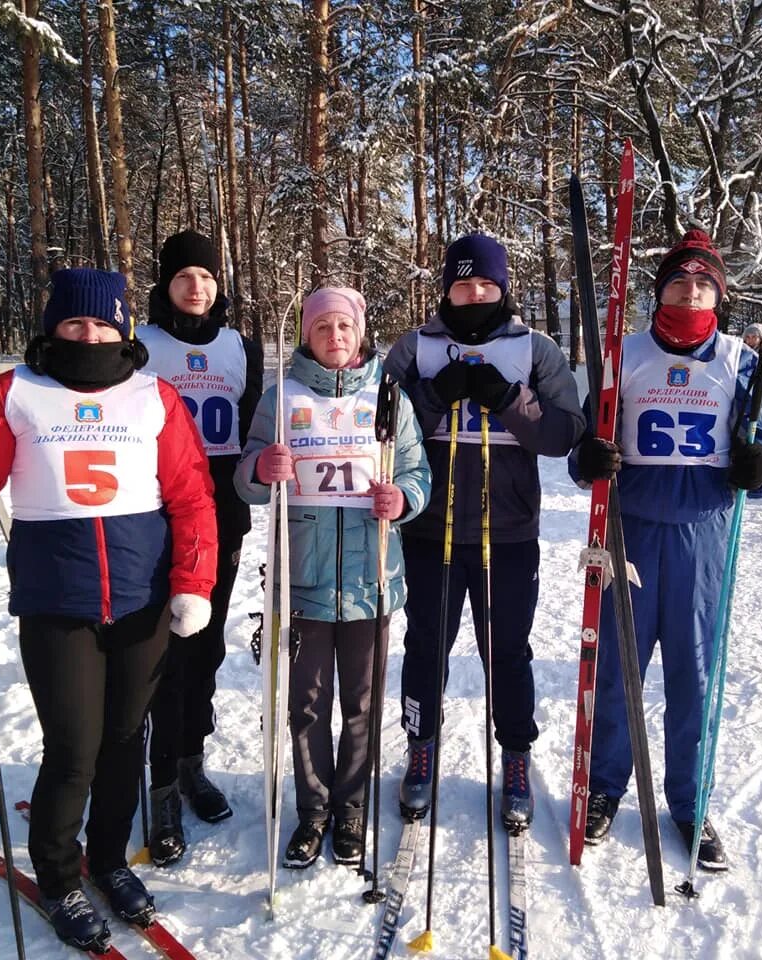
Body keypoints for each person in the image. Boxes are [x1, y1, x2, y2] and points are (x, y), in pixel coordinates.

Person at [0, 268, 217, 952]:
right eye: (74, 323)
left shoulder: (155, 397)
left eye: (102, 323)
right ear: (53, 328)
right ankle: (58, 877)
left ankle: (108, 860)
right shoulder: (19, 391)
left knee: (124, 740)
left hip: (143, 603)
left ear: (124, 329)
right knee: (74, 749)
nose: (88, 335)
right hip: (57, 605)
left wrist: (193, 585)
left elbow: (193, 497)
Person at [570, 230, 762, 869]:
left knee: (694, 674)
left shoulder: (739, 363)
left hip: (701, 531)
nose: (690, 293)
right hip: (629, 528)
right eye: (679, 282)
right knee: (618, 668)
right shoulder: (623, 355)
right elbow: (590, 447)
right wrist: (589, 460)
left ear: (717, 293)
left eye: (703, 284)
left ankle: (691, 802)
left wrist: (761, 467)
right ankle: (606, 788)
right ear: (659, 289)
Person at [384, 234, 585, 829]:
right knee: (425, 648)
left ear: (502, 289)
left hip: (509, 533)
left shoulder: (534, 349)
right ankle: (421, 747)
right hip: (430, 530)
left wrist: (506, 398)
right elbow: (374, 422)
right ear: (446, 287)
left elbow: (564, 433)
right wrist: (430, 396)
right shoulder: (416, 347)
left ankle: (515, 755)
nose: (474, 295)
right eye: (463, 285)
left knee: (508, 653)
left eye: (486, 286)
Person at [235, 286, 430, 868]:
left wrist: (404, 499)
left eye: (345, 326)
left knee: (363, 703)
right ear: (308, 335)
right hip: (304, 580)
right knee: (308, 704)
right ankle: (314, 811)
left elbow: (417, 470)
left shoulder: (388, 395)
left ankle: (351, 806)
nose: (336, 337)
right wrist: (259, 468)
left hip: (371, 576)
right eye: (323, 328)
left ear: (360, 332)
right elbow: (245, 480)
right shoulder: (282, 396)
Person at [137, 230, 263, 866]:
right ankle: (159, 784)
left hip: (221, 517)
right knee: (163, 653)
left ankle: (192, 762)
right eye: (185, 275)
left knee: (206, 648)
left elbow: (249, 427)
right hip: (155, 518)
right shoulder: (140, 345)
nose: (197, 287)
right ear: (166, 283)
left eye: (207, 277)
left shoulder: (242, 347)